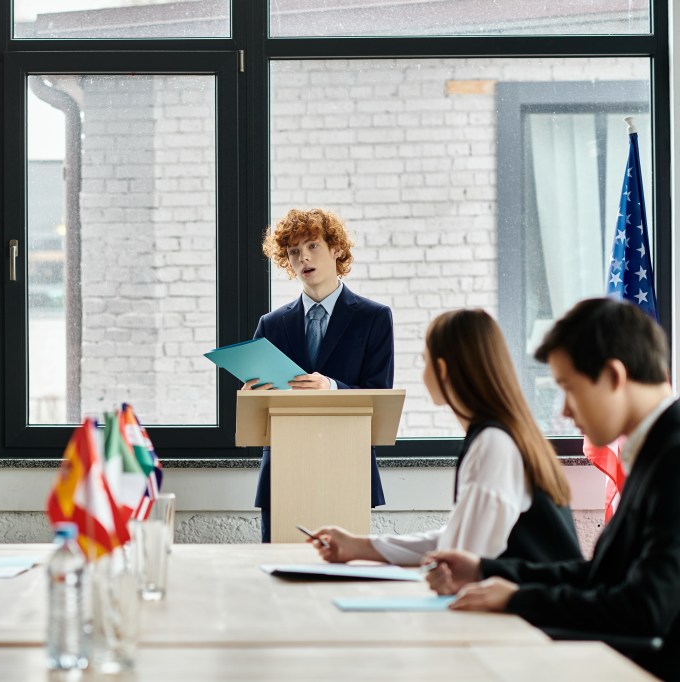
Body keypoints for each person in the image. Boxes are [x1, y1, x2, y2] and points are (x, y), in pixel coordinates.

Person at [424, 297, 680, 680]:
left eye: (568, 387)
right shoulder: (655, 448)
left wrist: (517, 599)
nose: (563, 411)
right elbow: (600, 576)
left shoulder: (673, 457)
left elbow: (644, 608)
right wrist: (484, 570)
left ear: (613, 376)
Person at [308, 309, 580, 565]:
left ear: (443, 369)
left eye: (424, 360)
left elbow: (462, 555)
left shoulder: (493, 444)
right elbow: (455, 539)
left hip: (528, 613)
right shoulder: (501, 435)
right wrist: (357, 546)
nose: (422, 371)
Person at [247, 208, 394, 542]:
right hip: (284, 472)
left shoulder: (374, 318)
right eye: (294, 252)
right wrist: (250, 393)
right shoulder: (270, 325)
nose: (303, 258)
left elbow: (379, 393)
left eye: (312, 246)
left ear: (337, 249)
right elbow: (256, 411)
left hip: (347, 465)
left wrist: (330, 387)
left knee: (346, 577)